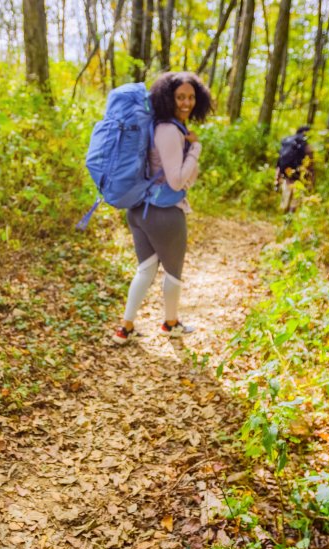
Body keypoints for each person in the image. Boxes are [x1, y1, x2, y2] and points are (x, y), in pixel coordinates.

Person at [111, 71, 213, 345]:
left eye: (191, 97)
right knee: (173, 273)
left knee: (145, 270)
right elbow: (178, 180)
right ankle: (171, 323)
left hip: (141, 209)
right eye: (180, 97)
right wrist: (196, 149)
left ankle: (125, 328)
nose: (186, 102)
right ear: (168, 98)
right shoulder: (169, 131)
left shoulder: (161, 127)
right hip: (164, 213)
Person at [275, 125, 315, 212]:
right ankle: (288, 220)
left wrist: (277, 179)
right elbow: (310, 165)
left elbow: (279, 162)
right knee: (295, 200)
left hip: (286, 174)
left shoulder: (287, 143)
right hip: (299, 176)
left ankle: (284, 217)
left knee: (286, 197)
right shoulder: (306, 146)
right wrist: (311, 181)